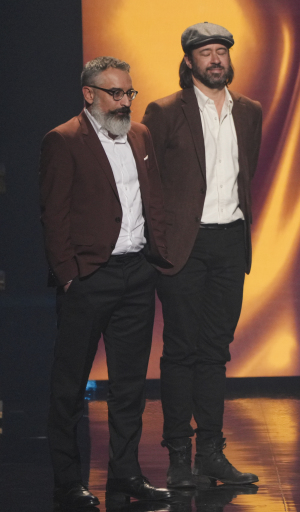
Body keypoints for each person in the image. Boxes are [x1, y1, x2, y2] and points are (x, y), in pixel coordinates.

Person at [40, 56, 173, 507]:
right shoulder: (63, 140)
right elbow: (54, 213)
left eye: (128, 93)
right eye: (115, 93)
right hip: (89, 277)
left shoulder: (140, 135)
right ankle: (68, 481)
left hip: (137, 275)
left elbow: (151, 200)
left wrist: (159, 256)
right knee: (70, 386)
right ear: (89, 94)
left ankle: (125, 475)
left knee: (130, 385)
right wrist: (69, 276)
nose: (123, 101)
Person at [141, 22, 262, 487]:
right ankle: (178, 455)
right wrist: (160, 239)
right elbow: (148, 181)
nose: (216, 60)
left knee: (216, 350)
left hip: (229, 242)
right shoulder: (165, 111)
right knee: (180, 351)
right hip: (183, 246)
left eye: (221, 52)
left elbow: (243, 175)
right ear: (189, 60)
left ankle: (211, 451)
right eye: (206, 53)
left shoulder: (248, 111)